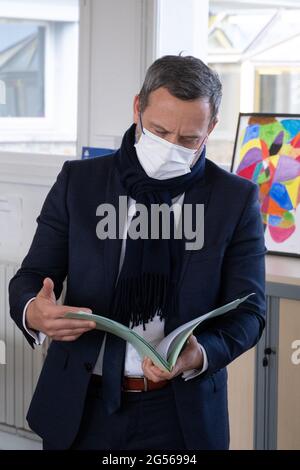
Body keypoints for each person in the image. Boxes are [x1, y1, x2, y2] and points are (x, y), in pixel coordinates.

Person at [9, 55, 266, 450]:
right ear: (137, 108)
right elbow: (29, 279)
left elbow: (248, 313)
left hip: (182, 413)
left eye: (188, 140)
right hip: (82, 403)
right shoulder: (80, 183)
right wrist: (34, 311)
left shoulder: (235, 199)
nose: (170, 148)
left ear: (210, 129)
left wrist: (199, 354)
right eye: (160, 131)